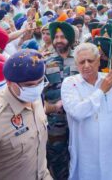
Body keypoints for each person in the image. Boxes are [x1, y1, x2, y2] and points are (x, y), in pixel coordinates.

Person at [0, 49, 51, 179]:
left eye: (40, 82)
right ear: (9, 83)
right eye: (29, 85)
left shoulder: (35, 100)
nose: (35, 89)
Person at [61, 43, 112, 179]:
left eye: (90, 60)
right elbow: (78, 112)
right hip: (85, 151)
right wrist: (102, 91)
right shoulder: (70, 83)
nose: (86, 65)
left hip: (111, 148)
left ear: (99, 61)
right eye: (82, 62)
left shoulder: (109, 80)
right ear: (77, 64)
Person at [44, 21, 78, 179]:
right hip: (54, 121)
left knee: (79, 155)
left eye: (63, 37)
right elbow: (39, 92)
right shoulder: (44, 61)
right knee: (56, 158)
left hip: (78, 119)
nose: (58, 40)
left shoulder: (80, 59)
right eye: (56, 37)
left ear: (70, 39)